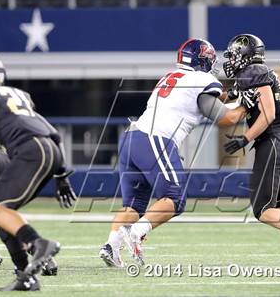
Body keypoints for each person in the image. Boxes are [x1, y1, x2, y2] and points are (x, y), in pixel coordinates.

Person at [99, 38, 248, 267]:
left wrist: (235, 96)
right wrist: (247, 105)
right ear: (202, 61)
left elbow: (210, 102)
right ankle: (136, 232)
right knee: (175, 199)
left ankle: (110, 245)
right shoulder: (202, 80)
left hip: (132, 137)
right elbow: (226, 118)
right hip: (155, 139)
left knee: (134, 205)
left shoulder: (172, 77)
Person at [222, 34, 280, 265]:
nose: (230, 59)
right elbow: (231, 100)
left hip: (274, 142)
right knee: (279, 205)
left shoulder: (253, 72)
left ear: (245, 55)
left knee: (262, 210)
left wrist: (245, 138)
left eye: (233, 54)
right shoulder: (255, 74)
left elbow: (268, 113)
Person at [0, 56, 76, 290]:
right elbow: (54, 133)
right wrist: (61, 177)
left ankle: (38, 244)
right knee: (2, 213)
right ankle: (26, 275)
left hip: (29, 151)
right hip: (49, 149)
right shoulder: (17, 95)